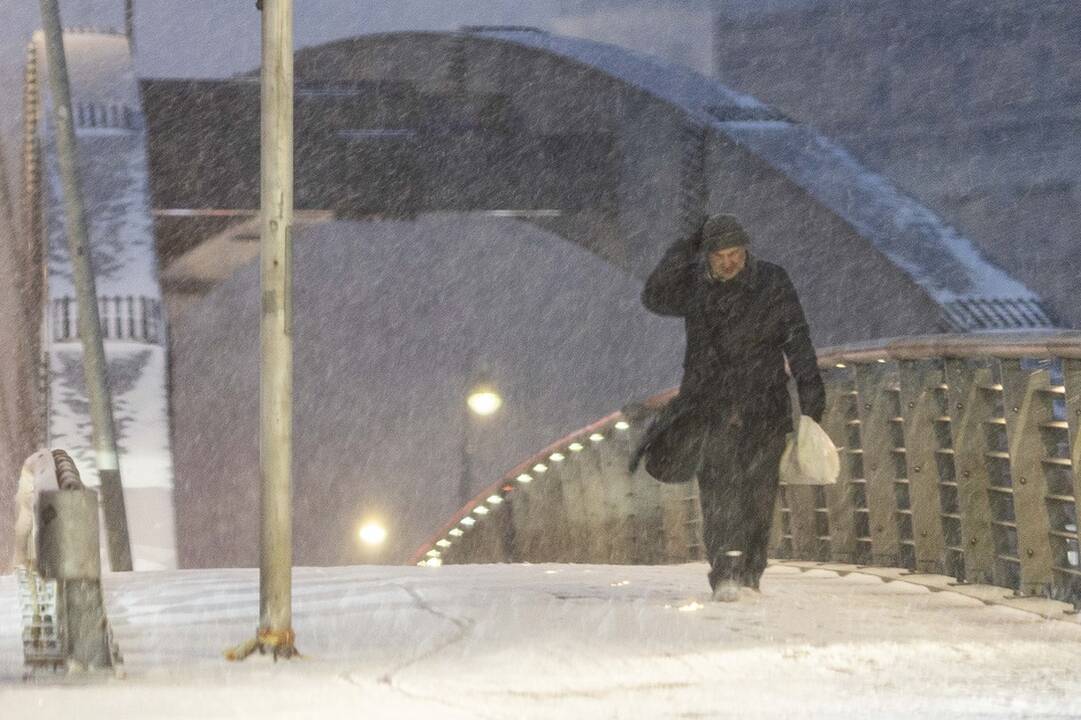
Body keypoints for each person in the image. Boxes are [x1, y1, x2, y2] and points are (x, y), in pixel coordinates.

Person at [636, 214, 824, 602]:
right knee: (719, 493)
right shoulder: (693, 285)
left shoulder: (772, 281)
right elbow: (654, 296)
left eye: (735, 253)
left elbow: (797, 336)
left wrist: (810, 392)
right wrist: (681, 249)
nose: (729, 262)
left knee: (758, 494)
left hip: (764, 404)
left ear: (746, 251)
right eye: (720, 254)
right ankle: (725, 571)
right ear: (707, 255)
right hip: (710, 406)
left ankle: (752, 572)